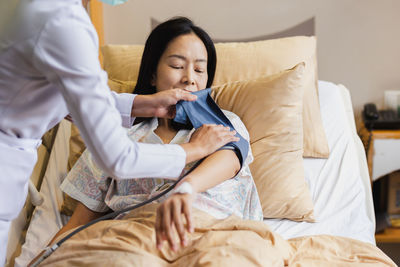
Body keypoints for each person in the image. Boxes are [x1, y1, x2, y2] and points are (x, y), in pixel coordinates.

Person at [0, 0, 238, 264]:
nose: (189, 78)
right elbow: (114, 162)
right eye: (176, 65)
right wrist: (194, 149)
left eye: (199, 69)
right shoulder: (60, 22)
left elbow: (74, 100)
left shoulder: (224, 123)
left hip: (212, 237)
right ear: (152, 73)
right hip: (129, 243)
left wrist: (144, 104)